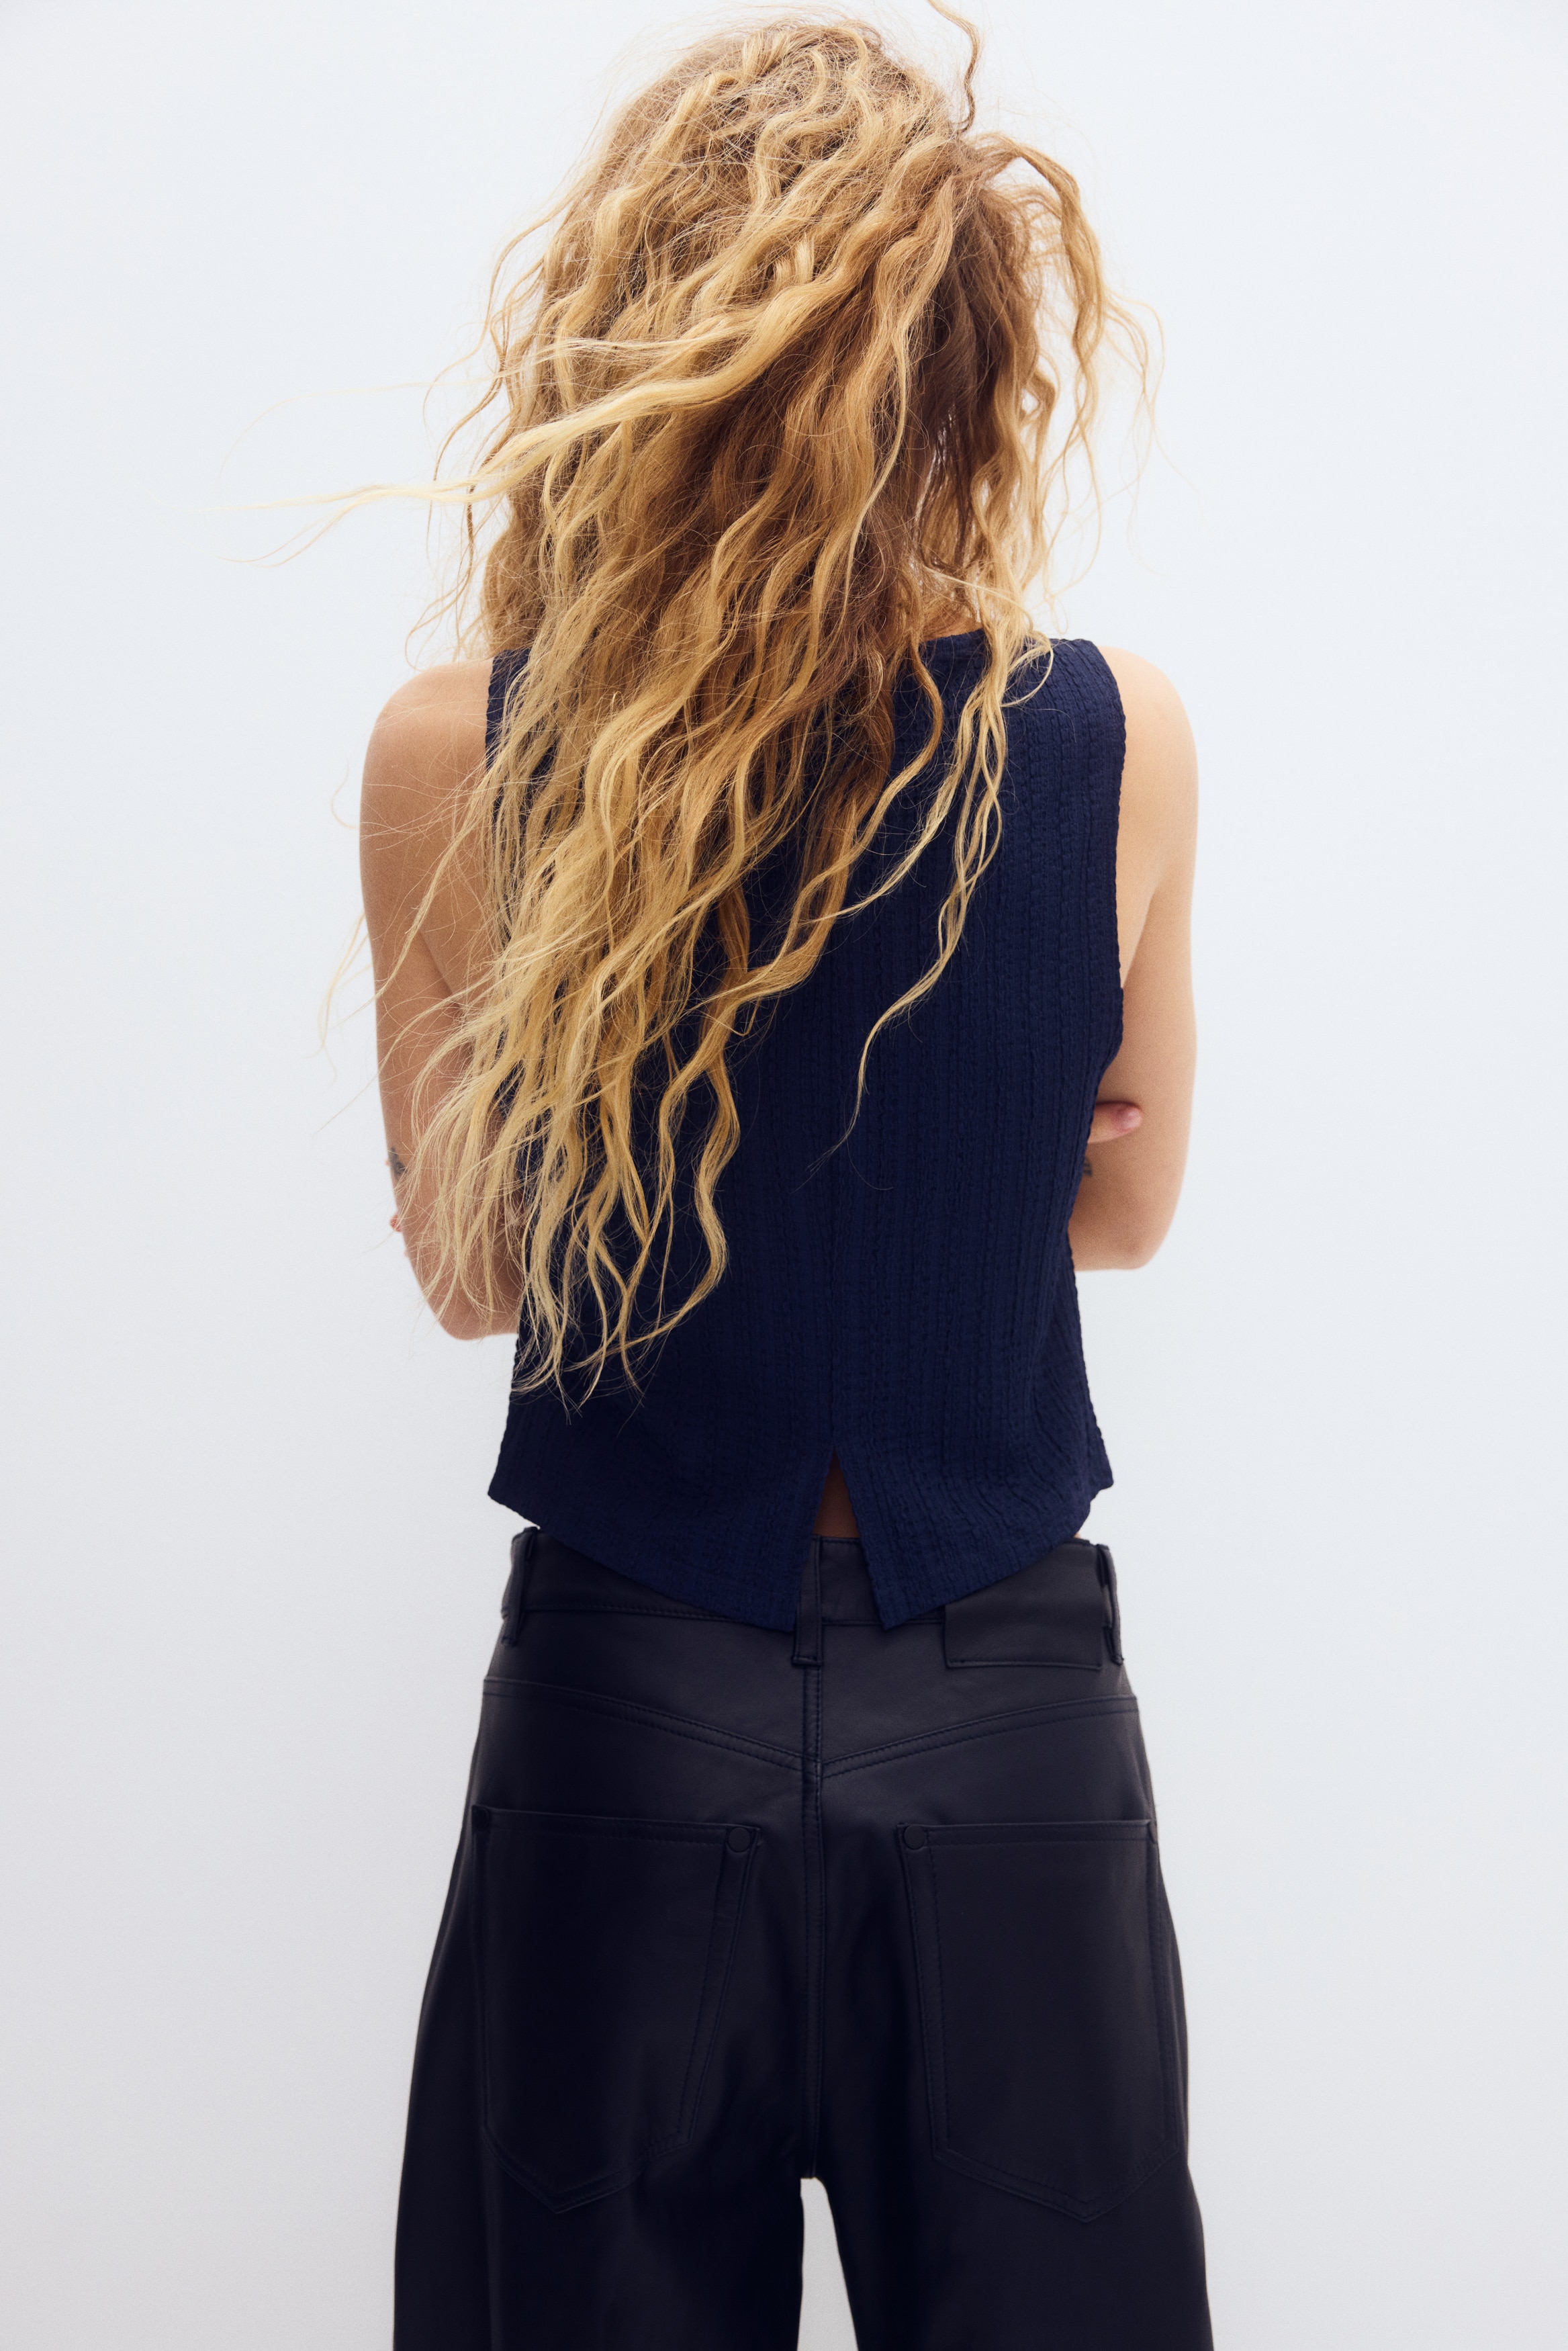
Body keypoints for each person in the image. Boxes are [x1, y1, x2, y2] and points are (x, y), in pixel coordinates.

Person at [358, 14, 1205, 2347]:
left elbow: (477, 1271)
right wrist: (972, 1135)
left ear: (633, 335)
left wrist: (645, 1118)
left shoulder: (460, 750)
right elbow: (1121, 1207)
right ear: (975, 362)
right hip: (1005, 1709)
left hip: (630, 1701)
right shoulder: (1110, 733)